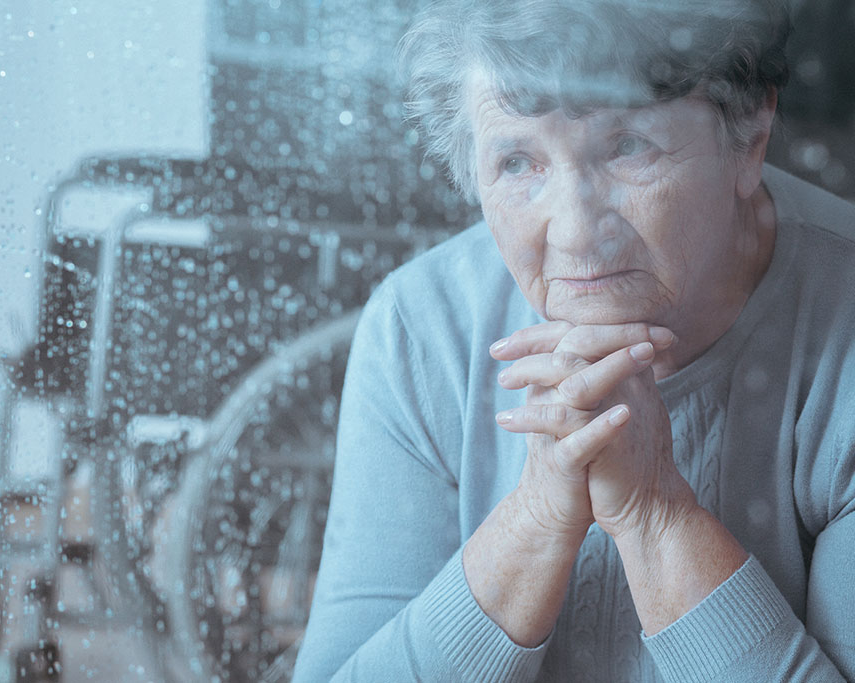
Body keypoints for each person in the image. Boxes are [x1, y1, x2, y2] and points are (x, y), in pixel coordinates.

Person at [291, 0, 855, 680]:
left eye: (628, 148)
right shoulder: (422, 330)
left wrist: (654, 514)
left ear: (751, 133)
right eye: (518, 162)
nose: (575, 233)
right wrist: (534, 516)